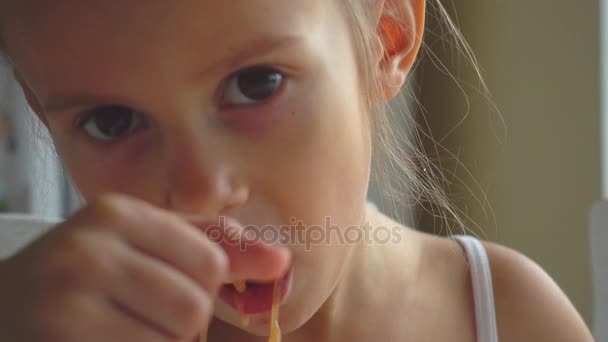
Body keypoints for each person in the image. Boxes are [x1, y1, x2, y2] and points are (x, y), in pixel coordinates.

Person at [0, 0, 594, 341]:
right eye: (112, 121)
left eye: (255, 84)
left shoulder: (506, 317)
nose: (200, 192)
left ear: (385, 37)